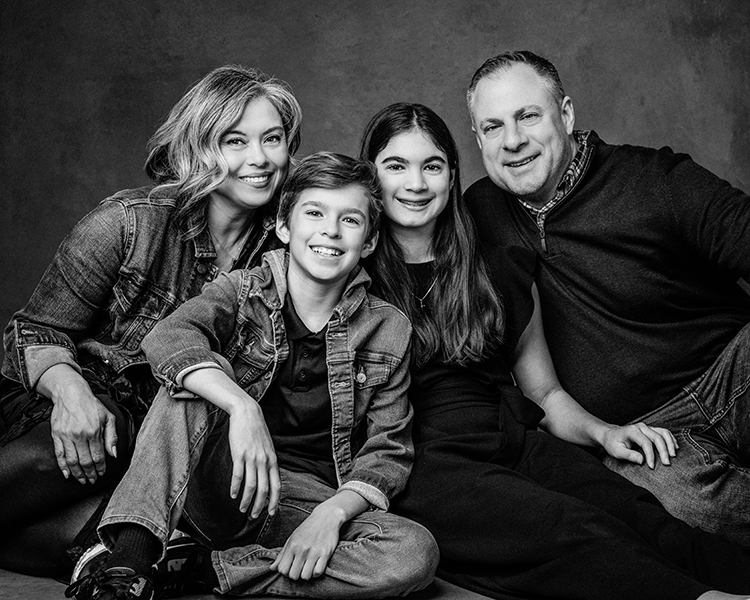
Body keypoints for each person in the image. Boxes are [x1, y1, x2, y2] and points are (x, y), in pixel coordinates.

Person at [360, 101, 750, 600]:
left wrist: (605, 433)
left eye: (431, 166)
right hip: (424, 460)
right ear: (371, 176)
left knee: (639, 514)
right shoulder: (353, 276)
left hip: (513, 440)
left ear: (452, 174)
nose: (416, 183)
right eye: (396, 166)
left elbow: (543, 392)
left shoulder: (493, 260)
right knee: (580, 530)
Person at [65, 151, 439, 600]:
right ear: (284, 226)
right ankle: (127, 569)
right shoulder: (241, 292)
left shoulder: (389, 328)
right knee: (192, 381)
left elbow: (388, 451)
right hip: (217, 483)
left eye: (351, 220)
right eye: (315, 212)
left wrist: (332, 514)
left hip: (298, 502)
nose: (331, 231)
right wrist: (241, 405)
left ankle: (203, 570)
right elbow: (170, 337)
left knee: (412, 552)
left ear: (371, 241)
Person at [0, 64, 302, 577]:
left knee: (112, 548)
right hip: (85, 405)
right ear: (199, 148)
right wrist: (71, 394)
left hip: (169, 446)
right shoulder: (129, 223)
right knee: (95, 437)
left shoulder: (288, 248)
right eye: (236, 140)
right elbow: (32, 331)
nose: (260, 159)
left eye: (272, 139)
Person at [463, 49, 750, 547]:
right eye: (492, 127)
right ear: (478, 138)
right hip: (649, 435)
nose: (512, 141)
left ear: (567, 114)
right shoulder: (479, 214)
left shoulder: (656, 180)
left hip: (735, 374)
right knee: (659, 501)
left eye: (528, 116)